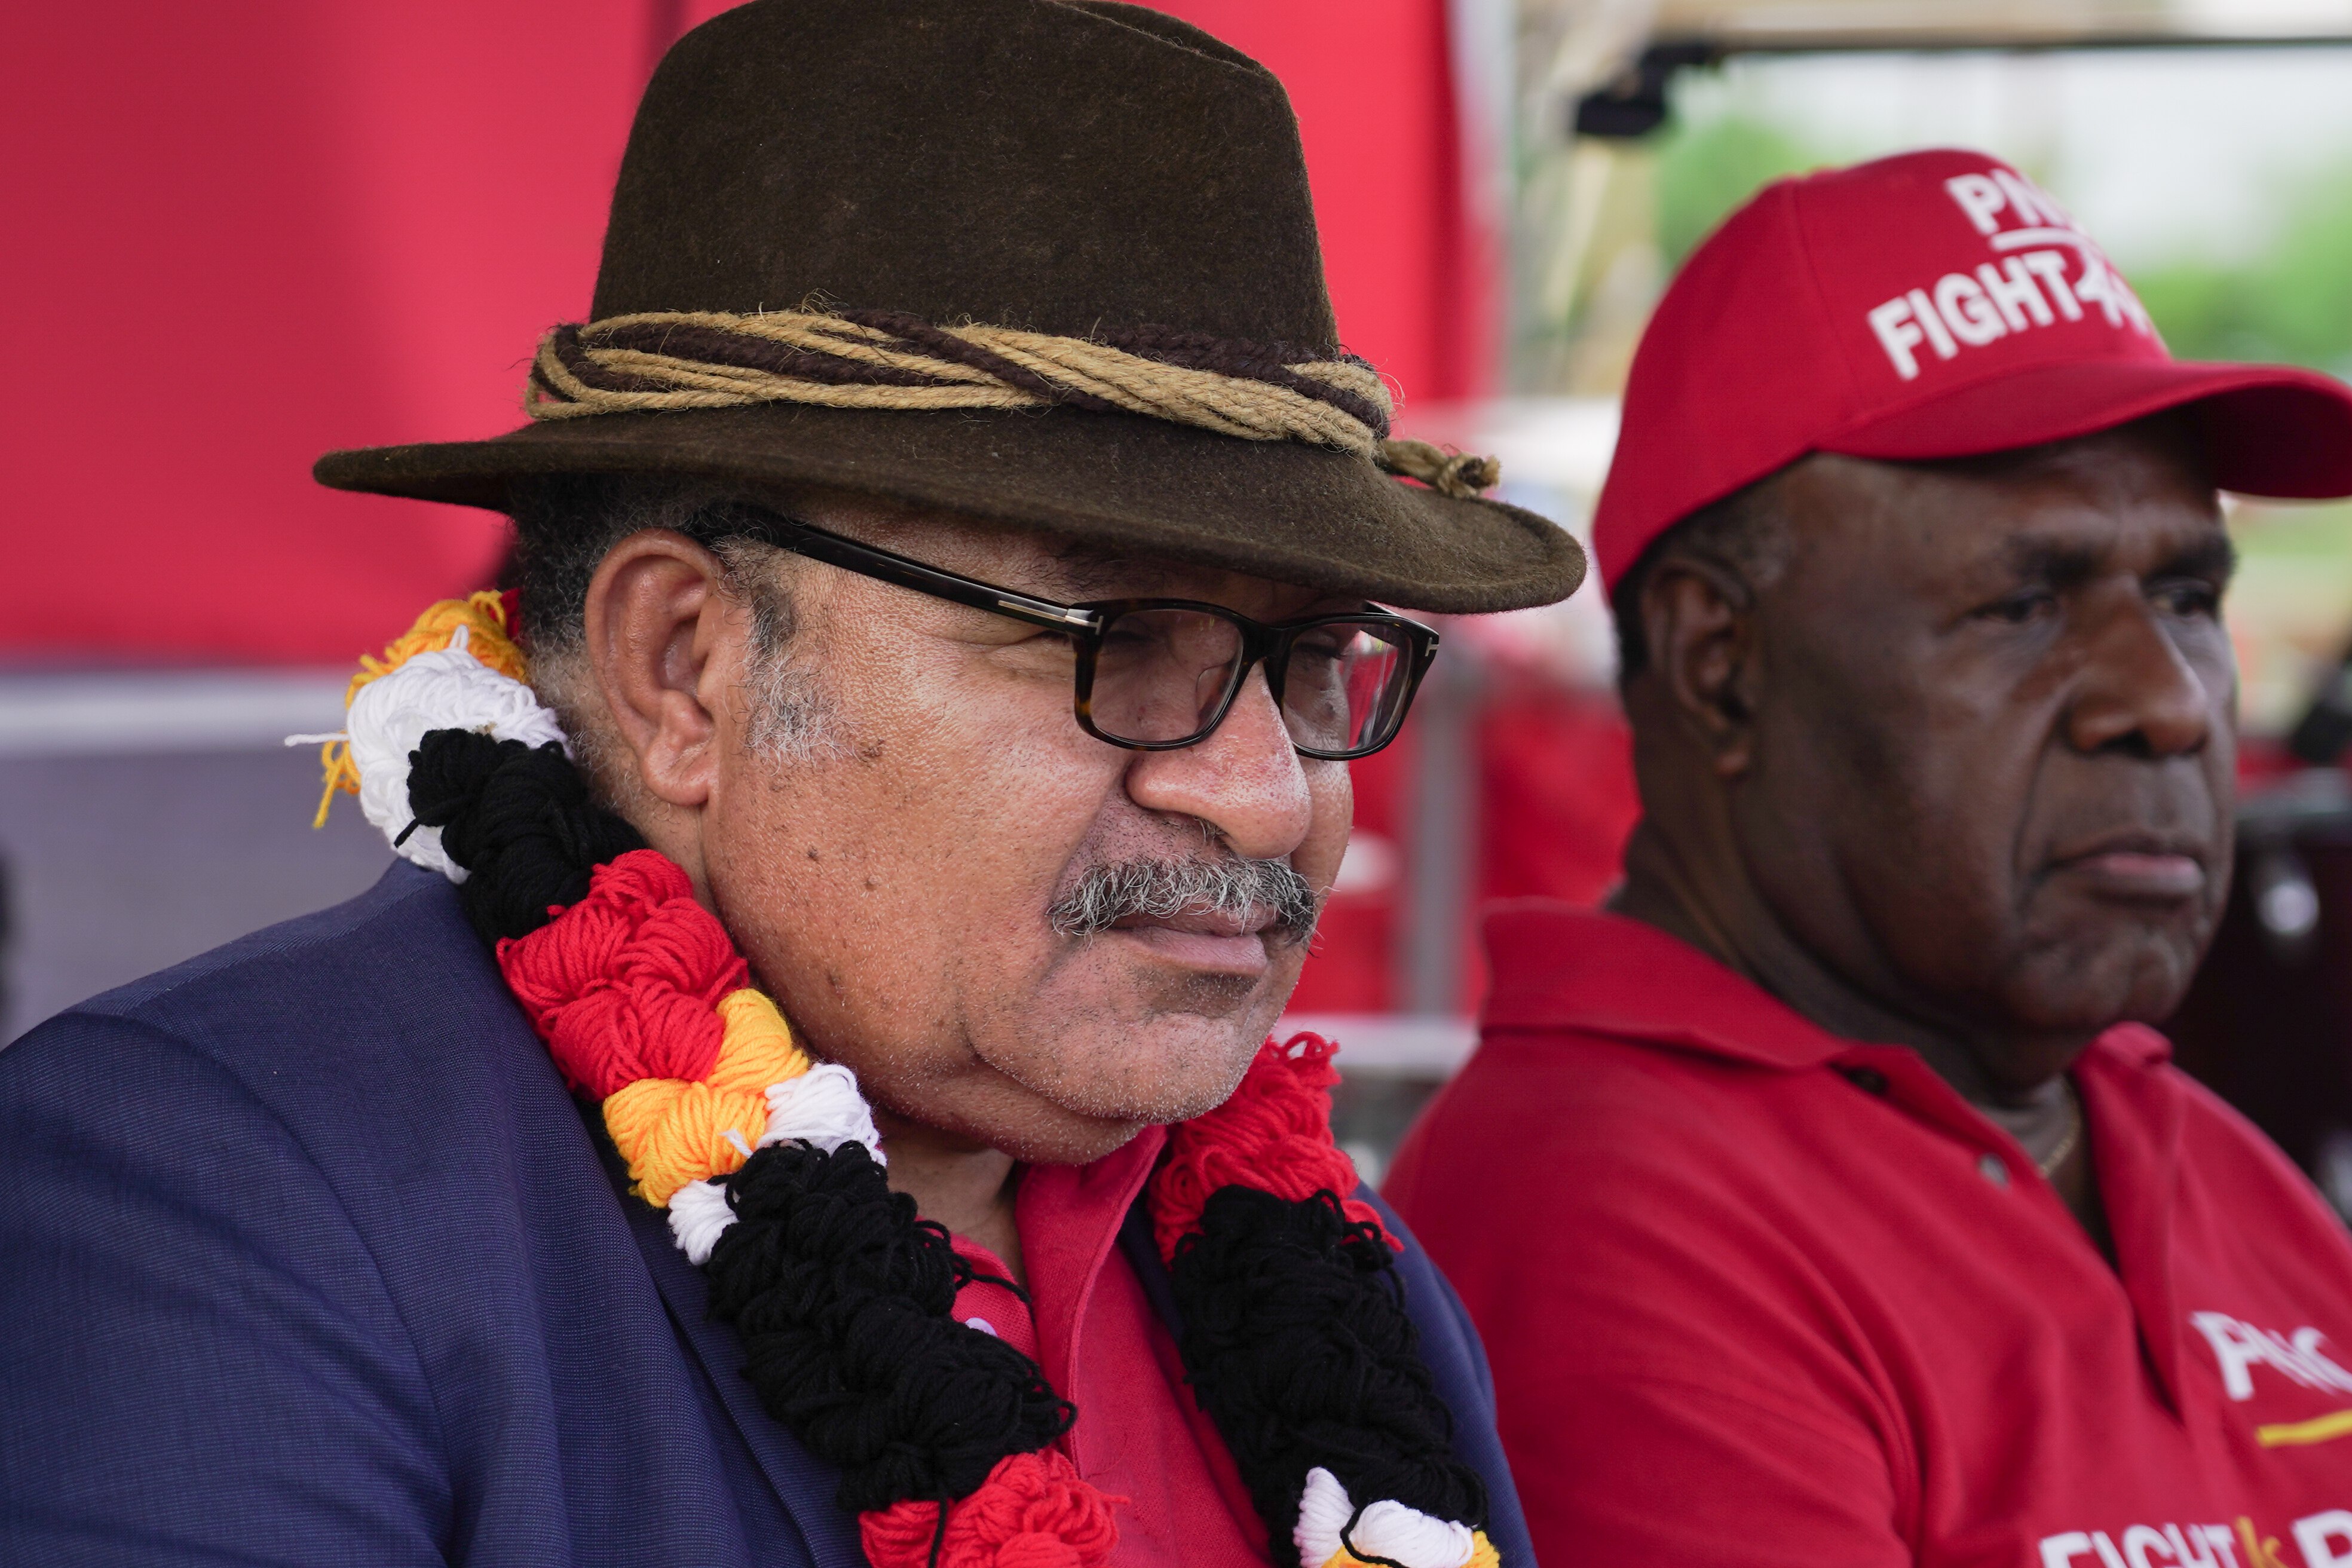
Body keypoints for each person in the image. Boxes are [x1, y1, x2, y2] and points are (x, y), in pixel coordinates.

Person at [0, 4, 1584, 1565]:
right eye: (1118, 641)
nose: (1263, 795)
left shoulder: (1346, 1287)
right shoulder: (219, 1195)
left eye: (1313, 661)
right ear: (683, 666)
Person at [1386, 148, 2352, 1567]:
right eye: (2028, 601)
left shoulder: (2195, 1150)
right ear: (1720, 662)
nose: (2169, 700)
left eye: (2189, 596)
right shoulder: (1614, 1219)